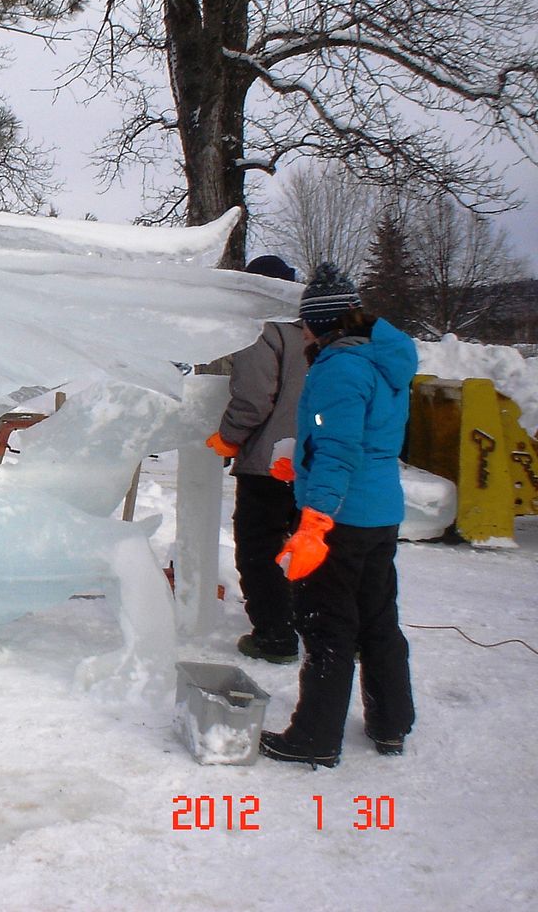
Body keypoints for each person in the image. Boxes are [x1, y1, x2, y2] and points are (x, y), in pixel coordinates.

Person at [259, 263, 418, 768]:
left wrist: (315, 520)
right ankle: (391, 724)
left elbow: (338, 449)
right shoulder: (382, 360)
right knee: (377, 620)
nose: (302, 329)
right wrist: (300, 466)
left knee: (328, 625)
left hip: (341, 519)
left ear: (321, 323)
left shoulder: (339, 369)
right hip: (378, 512)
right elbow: (359, 442)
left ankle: (315, 737)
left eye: (305, 321)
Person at [205, 255, 306, 664]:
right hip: (314, 459)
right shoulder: (317, 327)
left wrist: (229, 438)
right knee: (308, 545)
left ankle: (275, 637)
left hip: (270, 461)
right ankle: (318, 625)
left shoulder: (262, 328)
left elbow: (252, 397)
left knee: (258, 548)